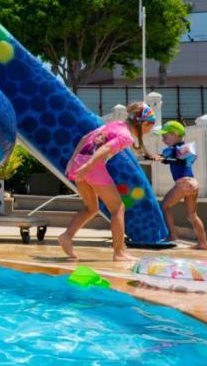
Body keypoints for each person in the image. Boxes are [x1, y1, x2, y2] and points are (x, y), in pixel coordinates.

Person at [58, 101, 157, 262]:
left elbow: (85, 138)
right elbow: (105, 149)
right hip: (91, 167)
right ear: (144, 123)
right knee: (118, 208)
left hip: (78, 163)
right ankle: (119, 252)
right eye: (150, 126)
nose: (149, 130)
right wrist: (87, 166)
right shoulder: (126, 136)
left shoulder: (114, 125)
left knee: (92, 207)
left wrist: (72, 160)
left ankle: (66, 236)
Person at [152, 120, 207, 250]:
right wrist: (152, 156)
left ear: (176, 135)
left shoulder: (179, 150)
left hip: (183, 183)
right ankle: (203, 243)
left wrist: (161, 158)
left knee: (165, 206)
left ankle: (172, 235)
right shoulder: (178, 150)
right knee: (192, 215)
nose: (163, 139)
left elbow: (174, 160)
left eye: (165, 136)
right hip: (192, 183)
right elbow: (165, 158)